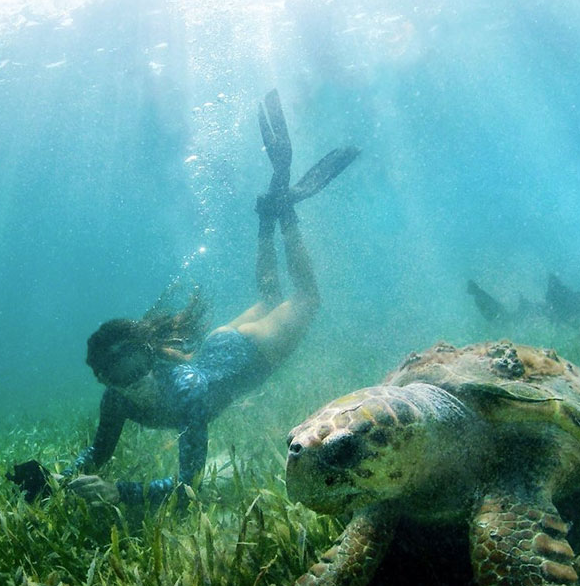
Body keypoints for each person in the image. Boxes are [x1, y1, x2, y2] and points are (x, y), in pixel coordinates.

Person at [65, 90, 359, 505]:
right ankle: (268, 214)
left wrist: (120, 492)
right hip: (221, 345)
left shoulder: (188, 393)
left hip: (253, 353)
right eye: (118, 376)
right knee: (272, 294)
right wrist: (58, 478)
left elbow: (189, 485)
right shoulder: (115, 402)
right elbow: (96, 454)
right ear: (104, 380)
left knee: (308, 297)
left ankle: (286, 207)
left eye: (135, 365)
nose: (134, 382)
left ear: (149, 356)